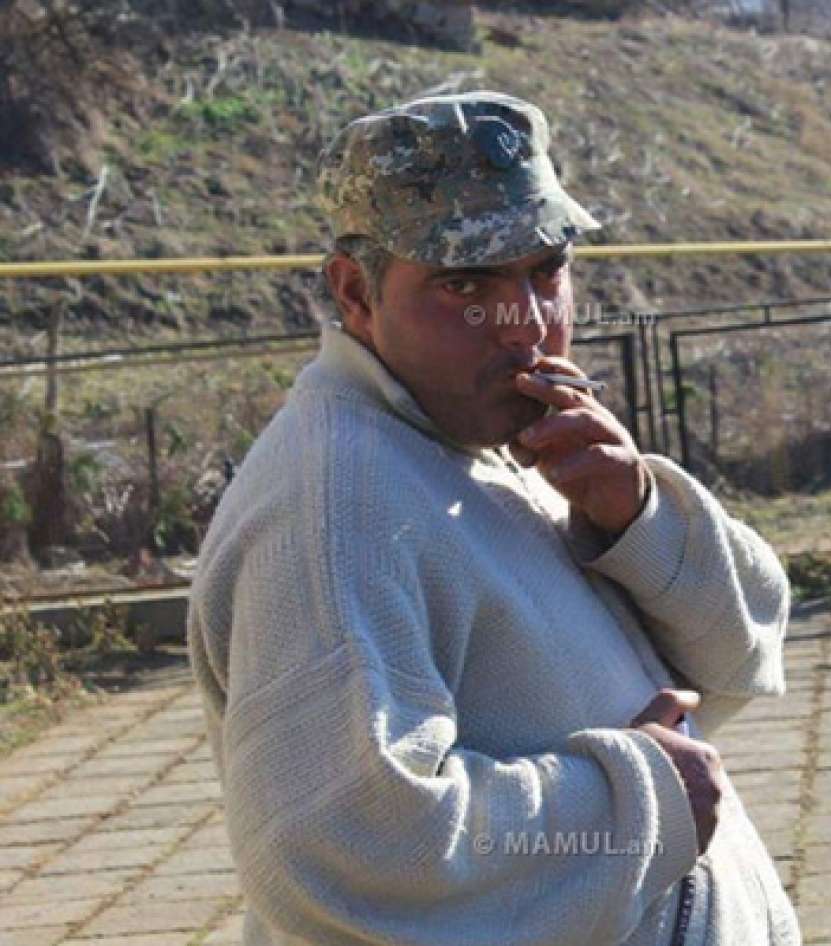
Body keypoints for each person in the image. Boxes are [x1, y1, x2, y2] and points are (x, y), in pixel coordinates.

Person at [187, 91, 799, 946]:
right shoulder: (336, 511)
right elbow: (340, 851)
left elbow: (737, 662)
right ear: (356, 293)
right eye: (464, 283)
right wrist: (638, 804)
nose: (526, 327)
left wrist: (637, 517)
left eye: (546, 270)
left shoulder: (488, 439)